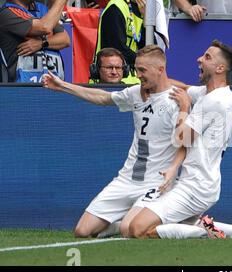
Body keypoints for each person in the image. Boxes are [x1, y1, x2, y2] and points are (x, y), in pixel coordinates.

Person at [42, 44, 185, 238]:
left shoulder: (177, 100)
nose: (137, 74)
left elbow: (186, 142)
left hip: (156, 182)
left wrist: (173, 170)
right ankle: (121, 223)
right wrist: (63, 86)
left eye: (142, 70)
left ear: (160, 70)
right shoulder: (136, 92)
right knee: (82, 231)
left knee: (130, 230)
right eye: (136, 69)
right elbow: (103, 98)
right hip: (126, 179)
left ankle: (132, 223)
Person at [127, 40, 232, 239]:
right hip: (196, 182)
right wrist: (157, 81)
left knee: (137, 229)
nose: (199, 59)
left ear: (220, 68)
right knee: (146, 224)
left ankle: (206, 233)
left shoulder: (215, 101)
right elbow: (186, 88)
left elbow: (182, 138)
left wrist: (183, 108)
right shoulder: (212, 93)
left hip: (197, 186)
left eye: (207, 57)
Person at [95, 0, 169, 84]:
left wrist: (146, 20)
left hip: (134, 78)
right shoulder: (115, 8)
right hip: (112, 80)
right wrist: (146, 62)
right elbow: (117, 50)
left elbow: (151, 49)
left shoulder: (140, 9)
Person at [0, 0, 70, 82]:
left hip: (54, 85)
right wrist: (60, 1)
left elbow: (65, 39)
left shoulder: (41, 9)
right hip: (22, 87)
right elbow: (44, 27)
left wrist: (41, 43)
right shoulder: (7, 12)